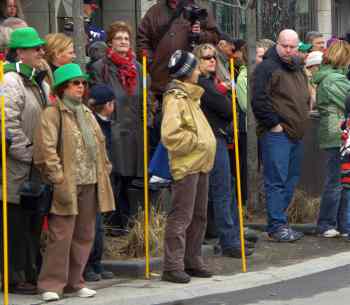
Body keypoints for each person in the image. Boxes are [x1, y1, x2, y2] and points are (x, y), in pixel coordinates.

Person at [33, 63, 115, 301]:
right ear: (62, 88)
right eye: (75, 83)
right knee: (61, 235)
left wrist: (105, 168)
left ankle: (75, 281)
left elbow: (99, 144)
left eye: (83, 83)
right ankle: (51, 284)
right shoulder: (52, 113)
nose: (81, 87)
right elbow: (46, 149)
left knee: (84, 234)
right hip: (67, 183)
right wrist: (57, 177)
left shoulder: (86, 112)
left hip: (90, 181)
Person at [193, 43, 254, 258]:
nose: (212, 60)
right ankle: (229, 240)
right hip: (211, 139)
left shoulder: (213, 82)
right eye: (206, 57)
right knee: (222, 190)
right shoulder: (203, 84)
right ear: (198, 62)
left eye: (214, 57)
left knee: (227, 187)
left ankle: (233, 235)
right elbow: (227, 109)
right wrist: (224, 95)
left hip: (219, 136)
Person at [0, 27, 48, 294]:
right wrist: (29, 154)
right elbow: (8, 125)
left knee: (31, 224)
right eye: (35, 48)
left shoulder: (37, 81)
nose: (41, 52)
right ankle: (14, 275)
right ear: (20, 52)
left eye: (41, 47)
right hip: (15, 168)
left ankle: (30, 270)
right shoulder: (10, 80)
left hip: (34, 167)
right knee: (14, 225)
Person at [161, 50, 216, 283]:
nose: (198, 71)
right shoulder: (176, 99)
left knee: (199, 215)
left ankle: (192, 260)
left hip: (201, 164)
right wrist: (197, 142)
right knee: (181, 216)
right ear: (186, 73)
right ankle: (172, 265)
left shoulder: (192, 97)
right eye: (194, 68)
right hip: (187, 165)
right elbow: (171, 135)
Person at [251, 29, 310, 242]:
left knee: (290, 180)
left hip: (296, 133)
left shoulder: (297, 67)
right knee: (276, 180)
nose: (288, 50)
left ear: (297, 47)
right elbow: (258, 99)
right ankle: (276, 225)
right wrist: (274, 124)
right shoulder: (267, 67)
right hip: (278, 134)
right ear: (277, 44)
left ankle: (279, 222)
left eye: (292, 46)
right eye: (284, 45)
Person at [137, 0, 219, 152]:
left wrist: (200, 34)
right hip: (161, 83)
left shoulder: (200, 10)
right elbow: (142, 39)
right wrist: (150, 62)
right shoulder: (154, 12)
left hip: (192, 84)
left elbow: (215, 37)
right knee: (164, 128)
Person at [90, 21, 145, 228]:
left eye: (126, 39)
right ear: (110, 43)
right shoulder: (100, 68)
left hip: (135, 131)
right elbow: (98, 99)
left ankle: (127, 222)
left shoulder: (138, 67)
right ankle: (114, 225)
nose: (123, 42)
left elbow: (144, 97)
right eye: (119, 38)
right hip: (112, 129)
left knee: (130, 179)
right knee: (115, 179)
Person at [313, 40, 350, 238]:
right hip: (337, 133)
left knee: (341, 180)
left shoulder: (329, 77)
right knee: (336, 181)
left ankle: (340, 223)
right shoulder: (335, 80)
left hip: (335, 132)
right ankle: (327, 223)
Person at [84, 84, 116, 282]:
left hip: (103, 175)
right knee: (91, 224)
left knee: (99, 224)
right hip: (92, 175)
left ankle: (97, 262)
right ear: (109, 105)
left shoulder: (105, 122)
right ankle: (87, 264)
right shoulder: (93, 122)